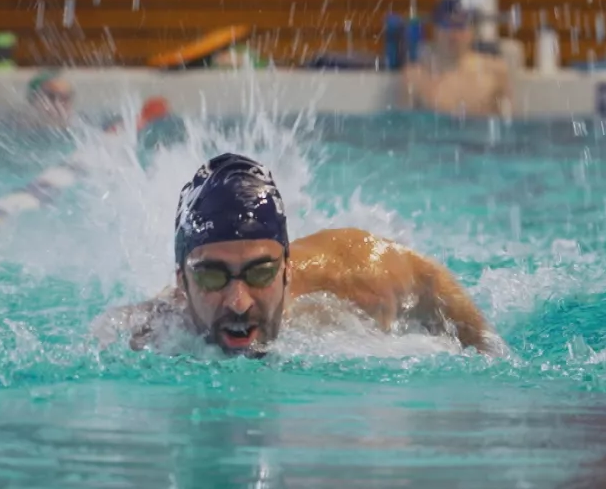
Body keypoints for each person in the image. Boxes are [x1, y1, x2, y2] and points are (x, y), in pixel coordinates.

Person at [92, 153, 505, 358]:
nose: (239, 302)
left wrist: (490, 355)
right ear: (182, 281)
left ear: (287, 269)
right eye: (213, 277)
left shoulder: (355, 279)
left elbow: (430, 280)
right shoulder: (152, 334)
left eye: (259, 272)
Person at [400, 0, 512, 118]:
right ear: (435, 30)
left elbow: (510, 123)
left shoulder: (495, 71)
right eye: (446, 25)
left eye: (460, 26)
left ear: (472, 31)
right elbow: (404, 127)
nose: (453, 34)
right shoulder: (416, 76)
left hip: (480, 135)